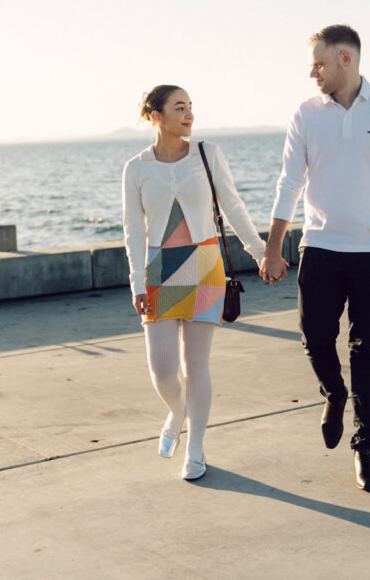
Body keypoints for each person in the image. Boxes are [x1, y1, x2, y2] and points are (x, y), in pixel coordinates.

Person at [260, 25, 370, 492]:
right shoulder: (307, 114)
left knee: (365, 350)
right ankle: (333, 392)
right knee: (315, 338)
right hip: (321, 247)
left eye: (320, 63)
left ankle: (365, 446)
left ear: (346, 59)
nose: (312, 71)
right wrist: (274, 246)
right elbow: (289, 183)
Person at [122, 85, 267, 481]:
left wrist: (259, 251)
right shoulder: (136, 168)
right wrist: (137, 282)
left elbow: (233, 206)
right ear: (156, 116)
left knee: (196, 366)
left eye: (191, 108)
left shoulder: (208, 155)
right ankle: (176, 411)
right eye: (179, 108)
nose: (189, 115)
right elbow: (133, 231)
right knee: (163, 371)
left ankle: (196, 447)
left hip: (205, 267)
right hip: (159, 272)